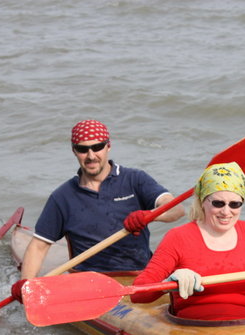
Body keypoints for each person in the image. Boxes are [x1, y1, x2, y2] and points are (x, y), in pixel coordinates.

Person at [11, 119, 184, 301]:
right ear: (74, 151)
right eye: (83, 149)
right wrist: (26, 285)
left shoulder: (135, 179)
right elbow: (39, 246)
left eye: (97, 147)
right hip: (89, 281)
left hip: (140, 275)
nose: (91, 155)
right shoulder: (62, 197)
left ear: (108, 146)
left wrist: (150, 216)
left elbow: (176, 209)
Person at [130, 162, 245, 320]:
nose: (226, 212)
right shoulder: (178, 237)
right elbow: (137, 294)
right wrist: (167, 284)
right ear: (202, 202)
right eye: (218, 203)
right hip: (193, 328)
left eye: (235, 204)